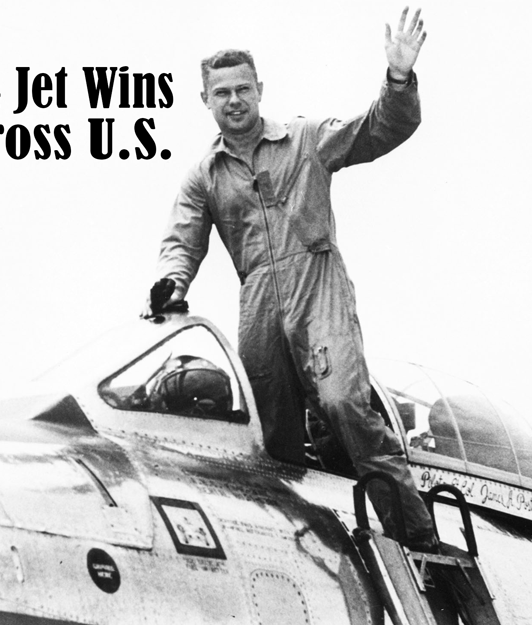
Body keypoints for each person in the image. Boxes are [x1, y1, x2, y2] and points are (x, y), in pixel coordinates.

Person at [150, 8, 436, 549]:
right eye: (221, 93)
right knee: (271, 432)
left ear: (260, 89)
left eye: (242, 89)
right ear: (205, 101)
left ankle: (415, 539)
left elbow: (379, 129)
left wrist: (398, 78)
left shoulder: (305, 140)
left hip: (317, 284)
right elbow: (181, 241)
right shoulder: (203, 175)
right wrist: (170, 283)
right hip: (257, 299)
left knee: (343, 403)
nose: (233, 101)